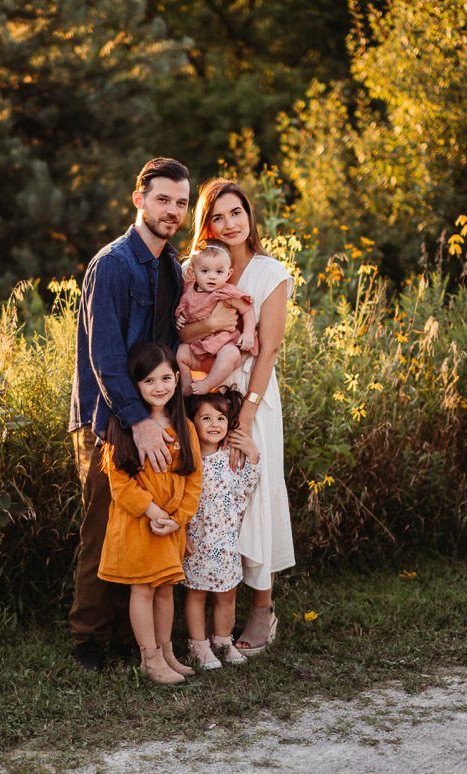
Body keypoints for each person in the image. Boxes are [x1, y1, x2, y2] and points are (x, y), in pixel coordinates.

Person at [70, 157, 222, 671]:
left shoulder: (168, 267)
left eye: (181, 202)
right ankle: (89, 638)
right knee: (106, 524)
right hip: (108, 419)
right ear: (139, 200)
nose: (173, 210)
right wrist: (137, 422)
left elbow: (173, 341)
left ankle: (133, 639)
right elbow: (105, 354)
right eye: (162, 199)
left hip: (157, 416)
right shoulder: (112, 264)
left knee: (148, 521)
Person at [180, 177, 293, 656]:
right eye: (217, 216)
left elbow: (266, 352)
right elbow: (181, 335)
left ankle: (262, 609)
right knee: (209, 501)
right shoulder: (199, 270)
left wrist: (246, 415)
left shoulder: (270, 273)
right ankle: (200, 617)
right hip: (204, 402)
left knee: (255, 497)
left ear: (250, 216)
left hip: (251, 399)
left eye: (235, 213)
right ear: (206, 225)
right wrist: (212, 325)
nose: (228, 224)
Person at [98, 343, 202, 685]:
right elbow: (121, 485)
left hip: (170, 525)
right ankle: (149, 658)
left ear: (177, 379)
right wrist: (154, 511)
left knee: (165, 589)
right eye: (149, 381)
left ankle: (166, 650)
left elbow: (193, 479)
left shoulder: (184, 427)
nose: (160, 387)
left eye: (166, 378)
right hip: (139, 523)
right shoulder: (125, 428)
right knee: (142, 588)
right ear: (135, 385)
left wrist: (179, 517)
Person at [182, 388, 261, 669]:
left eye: (220, 418)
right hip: (197, 541)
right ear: (192, 423)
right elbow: (176, 501)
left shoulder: (229, 458)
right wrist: (180, 533)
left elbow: (242, 493)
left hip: (226, 542)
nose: (215, 424)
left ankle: (223, 640)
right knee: (196, 593)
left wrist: (252, 455)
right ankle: (198, 645)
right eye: (206, 418)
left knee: (227, 593)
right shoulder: (187, 461)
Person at [174, 239, 258, 395]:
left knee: (231, 353)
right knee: (180, 352)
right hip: (199, 351)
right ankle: (185, 387)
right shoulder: (188, 291)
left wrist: (248, 333)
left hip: (223, 347)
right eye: (205, 271)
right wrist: (180, 318)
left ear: (228, 274)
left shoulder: (228, 293)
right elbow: (183, 309)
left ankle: (208, 384)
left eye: (219, 272)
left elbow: (248, 311)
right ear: (193, 272)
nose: (212, 277)